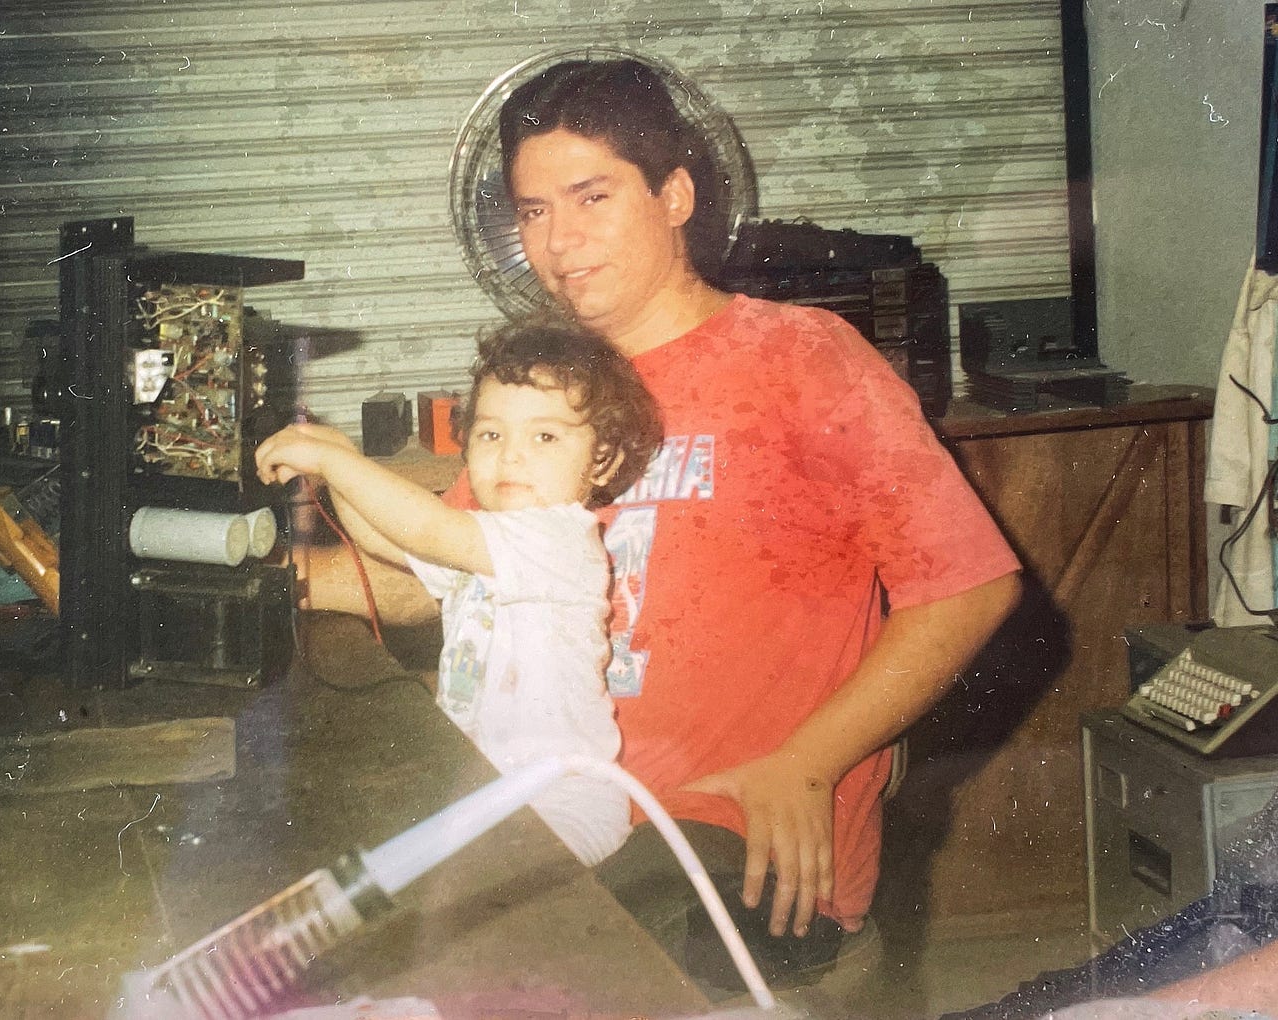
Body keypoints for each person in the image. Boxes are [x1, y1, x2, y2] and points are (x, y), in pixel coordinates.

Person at [308, 57, 1023, 991]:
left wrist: (808, 765)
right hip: (566, 836)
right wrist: (252, 568)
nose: (558, 241)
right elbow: (439, 575)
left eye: (591, 196)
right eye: (532, 212)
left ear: (676, 193)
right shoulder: (550, 396)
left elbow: (970, 585)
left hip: (735, 858)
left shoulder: (804, 360)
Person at [256, 320, 663, 867]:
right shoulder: (486, 542)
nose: (511, 456)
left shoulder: (560, 540)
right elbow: (389, 540)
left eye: (544, 437)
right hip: (487, 789)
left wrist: (340, 465)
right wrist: (338, 471)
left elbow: (426, 530)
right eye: (492, 435)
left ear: (603, 461)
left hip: (561, 802)